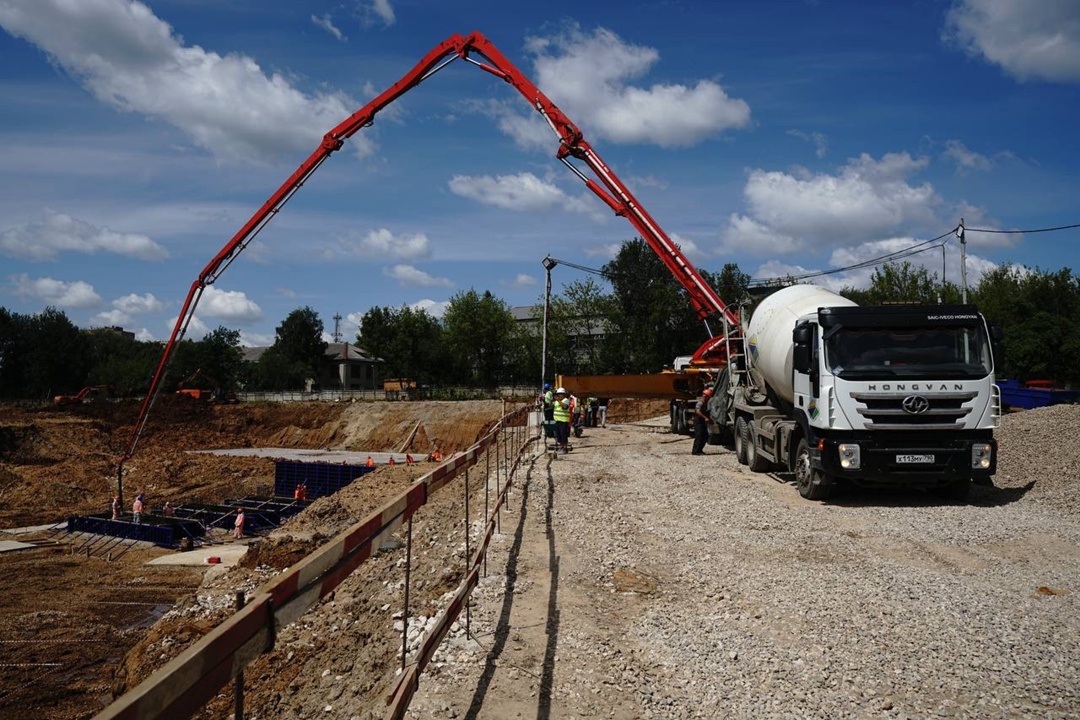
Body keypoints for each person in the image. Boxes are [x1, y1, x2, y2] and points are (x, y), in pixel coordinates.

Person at [692, 387, 713, 455]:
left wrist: (710, 420)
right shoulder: (700, 403)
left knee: (705, 435)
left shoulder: (706, 404)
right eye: (707, 397)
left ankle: (700, 450)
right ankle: (695, 451)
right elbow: (698, 411)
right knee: (699, 435)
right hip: (698, 421)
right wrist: (705, 418)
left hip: (702, 421)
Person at [552, 387, 571, 454]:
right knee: (558, 435)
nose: (559, 395)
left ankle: (565, 448)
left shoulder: (566, 400)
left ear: (563, 394)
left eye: (560, 394)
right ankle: (561, 447)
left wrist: (558, 401)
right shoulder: (556, 402)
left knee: (563, 435)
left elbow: (565, 407)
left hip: (563, 421)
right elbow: (550, 405)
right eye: (558, 394)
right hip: (557, 420)